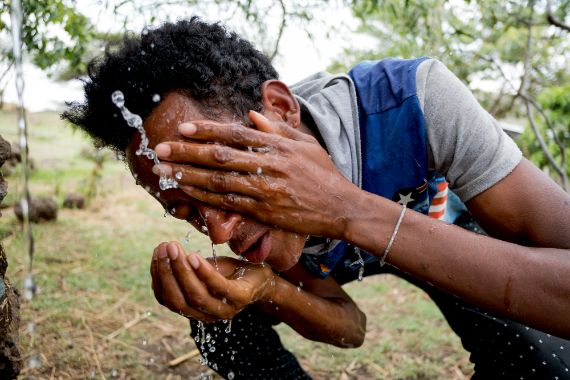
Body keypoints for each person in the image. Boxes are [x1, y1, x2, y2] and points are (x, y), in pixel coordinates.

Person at [62, 18, 570, 379]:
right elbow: (351, 328)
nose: (218, 232)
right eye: (186, 209)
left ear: (280, 110)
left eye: (223, 181)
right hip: (350, 244)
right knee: (214, 310)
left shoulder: (414, 105)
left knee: (538, 364)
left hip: (446, 233)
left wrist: (344, 208)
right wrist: (269, 290)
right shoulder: (261, 229)